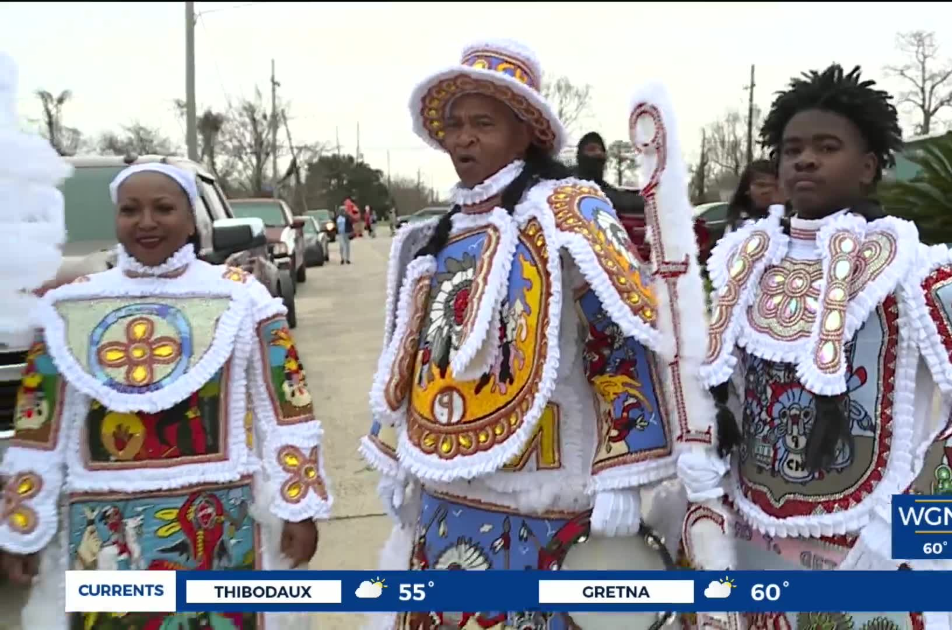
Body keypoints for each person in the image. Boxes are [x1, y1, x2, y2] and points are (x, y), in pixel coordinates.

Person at [677, 65, 952, 629]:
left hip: (870, 547)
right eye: (792, 149)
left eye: (827, 146)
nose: (805, 160)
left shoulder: (920, 272)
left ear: (868, 167)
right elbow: (723, 391)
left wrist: (913, 524)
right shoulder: (746, 265)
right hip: (748, 538)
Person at [362, 39, 696, 629]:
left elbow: (617, 339)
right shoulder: (435, 236)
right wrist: (395, 455)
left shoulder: (567, 211)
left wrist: (623, 467)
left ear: (528, 134)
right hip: (447, 490)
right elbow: (412, 358)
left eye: (483, 123)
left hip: (546, 492)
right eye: (456, 125)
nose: (464, 138)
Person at [0, 163, 331, 628]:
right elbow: (39, 429)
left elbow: (287, 411)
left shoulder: (243, 299)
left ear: (191, 219)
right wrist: (22, 527)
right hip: (105, 533)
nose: (147, 222)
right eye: (130, 210)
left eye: (163, 208)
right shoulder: (69, 305)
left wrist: (299, 508)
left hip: (221, 529)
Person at [575, 131, 646, 214]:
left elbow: (616, 194)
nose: (598, 153)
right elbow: (612, 199)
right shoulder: (571, 184)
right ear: (580, 156)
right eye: (592, 149)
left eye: (601, 150)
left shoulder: (603, 186)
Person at [724, 158, 779, 235]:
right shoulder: (738, 224)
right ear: (746, 189)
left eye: (774, 186)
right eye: (761, 185)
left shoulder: (791, 221)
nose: (767, 191)